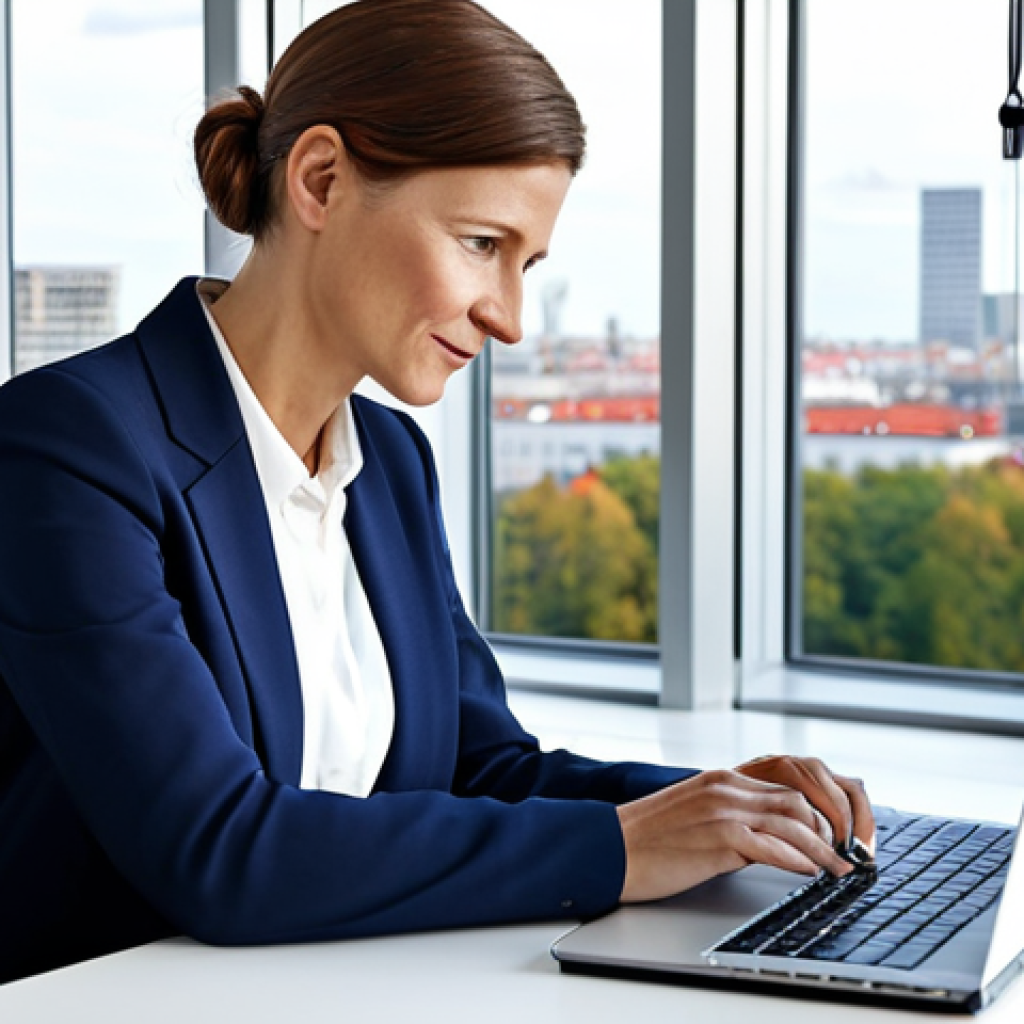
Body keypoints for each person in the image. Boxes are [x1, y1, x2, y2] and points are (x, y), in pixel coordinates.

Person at [0, 0, 873, 986]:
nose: (509, 318)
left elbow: (479, 769)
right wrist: (627, 845)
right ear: (321, 180)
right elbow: (220, 848)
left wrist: (730, 809)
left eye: (526, 263)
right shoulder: (70, 447)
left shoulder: (390, 462)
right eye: (481, 244)